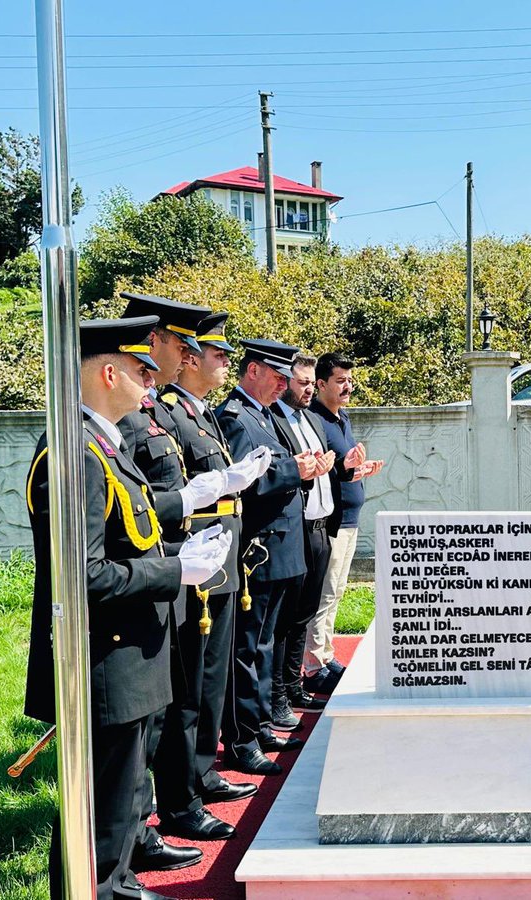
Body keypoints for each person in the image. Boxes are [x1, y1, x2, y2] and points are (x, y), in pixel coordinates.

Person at [23, 316, 231, 900]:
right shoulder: (75, 455)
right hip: (105, 655)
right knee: (101, 801)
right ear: (109, 373)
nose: (151, 382)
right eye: (143, 371)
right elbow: (82, 577)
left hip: (131, 651)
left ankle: (116, 882)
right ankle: (101, 889)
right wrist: (175, 571)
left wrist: (179, 552)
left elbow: (127, 540)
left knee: (120, 794)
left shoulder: (101, 444)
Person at [115, 295, 242, 856]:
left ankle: (175, 802)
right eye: (181, 345)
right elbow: (132, 509)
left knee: (183, 694)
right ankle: (150, 821)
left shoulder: (157, 413)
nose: (188, 356)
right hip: (151, 574)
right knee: (157, 712)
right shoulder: (130, 417)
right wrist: (188, 507)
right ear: (156, 342)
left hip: (176, 565)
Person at [163, 312, 267, 808]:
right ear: (188, 361)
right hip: (194, 554)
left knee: (213, 677)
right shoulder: (170, 413)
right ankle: (182, 789)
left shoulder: (201, 413)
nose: (226, 361)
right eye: (217, 353)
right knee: (191, 682)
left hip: (221, 554)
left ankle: (204, 771)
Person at [215, 339, 322, 776]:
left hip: (281, 546)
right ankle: (242, 738)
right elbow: (248, 480)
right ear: (253, 370)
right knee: (248, 646)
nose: (283, 385)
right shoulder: (235, 416)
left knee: (264, 645)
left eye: (285, 378)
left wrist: (303, 468)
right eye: (277, 376)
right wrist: (295, 469)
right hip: (260, 549)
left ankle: (258, 726)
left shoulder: (263, 414)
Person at [304, 352, 384, 697]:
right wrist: (344, 468)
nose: (347, 386)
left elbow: (342, 468)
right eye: (340, 381)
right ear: (321, 384)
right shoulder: (314, 420)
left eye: (349, 380)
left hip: (350, 519)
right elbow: (319, 471)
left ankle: (326, 653)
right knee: (324, 592)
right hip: (331, 521)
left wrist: (358, 469)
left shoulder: (342, 417)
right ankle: (313, 665)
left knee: (336, 591)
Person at [269, 352, 336, 726]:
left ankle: (294, 685)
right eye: (303, 382)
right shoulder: (275, 419)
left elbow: (323, 470)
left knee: (304, 615)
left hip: (320, 527)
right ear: (285, 382)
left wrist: (342, 468)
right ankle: (277, 694)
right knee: (286, 619)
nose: (309, 389)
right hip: (295, 530)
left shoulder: (312, 419)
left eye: (312, 383)